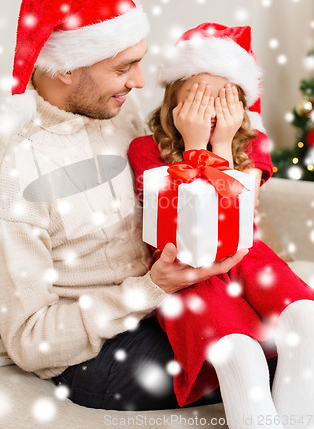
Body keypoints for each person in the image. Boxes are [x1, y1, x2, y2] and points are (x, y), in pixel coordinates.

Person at [0, 0, 245, 412]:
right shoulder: (7, 174)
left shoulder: (113, 115)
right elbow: (31, 343)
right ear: (67, 67)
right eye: (124, 67)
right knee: (257, 362)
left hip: (169, 305)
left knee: (292, 333)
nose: (139, 82)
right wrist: (150, 288)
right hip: (96, 355)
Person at [128, 23, 314, 427]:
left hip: (245, 255)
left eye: (225, 99)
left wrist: (224, 146)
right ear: (173, 102)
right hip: (188, 270)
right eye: (197, 98)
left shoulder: (252, 146)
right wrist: (195, 147)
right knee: (241, 354)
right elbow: (192, 233)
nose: (211, 112)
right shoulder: (144, 150)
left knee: (307, 321)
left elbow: (232, 223)